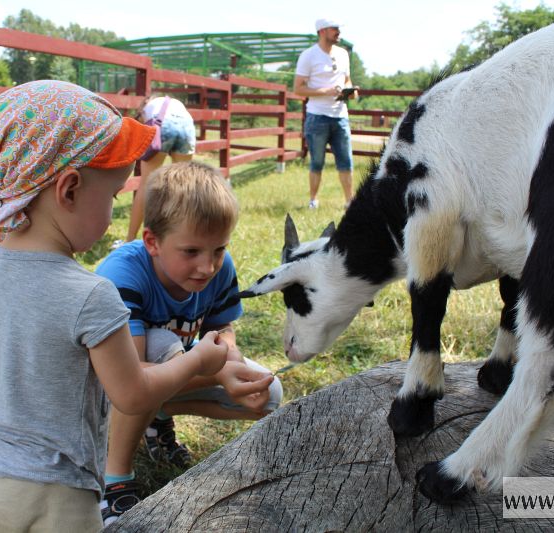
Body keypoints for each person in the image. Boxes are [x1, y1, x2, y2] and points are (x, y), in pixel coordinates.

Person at [0, 80, 231, 532]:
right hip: (55, 490)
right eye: (114, 196)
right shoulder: (91, 293)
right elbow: (134, 394)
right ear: (69, 190)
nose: (115, 211)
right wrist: (199, 360)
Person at [95, 161, 282, 524]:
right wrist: (217, 374)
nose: (208, 267)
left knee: (269, 397)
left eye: (218, 250)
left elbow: (223, 327)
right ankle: (113, 480)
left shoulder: (218, 269)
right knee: (159, 342)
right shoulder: (122, 275)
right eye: (192, 251)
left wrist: (232, 361)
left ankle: (157, 414)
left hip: (166, 371)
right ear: (152, 241)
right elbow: (130, 375)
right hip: (109, 386)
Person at [294, 17, 359, 209]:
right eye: (334, 29)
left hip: (340, 116)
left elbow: (347, 79)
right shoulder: (308, 56)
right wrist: (324, 92)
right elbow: (298, 89)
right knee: (317, 161)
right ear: (322, 31)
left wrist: (350, 90)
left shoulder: (343, 54)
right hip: (317, 116)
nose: (338, 32)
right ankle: (313, 200)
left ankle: (349, 202)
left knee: (346, 160)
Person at [126, 95, 196, 241]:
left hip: (165, 124)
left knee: (146, 184)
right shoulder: (174, 102)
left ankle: (130, 239)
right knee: (185, 185)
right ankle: (185, 237)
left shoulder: (146, 109)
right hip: (187, 125)